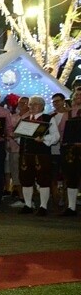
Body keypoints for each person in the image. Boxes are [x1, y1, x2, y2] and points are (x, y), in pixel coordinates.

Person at [16, 96, 60, 215]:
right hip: (26, 154)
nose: (31, 106)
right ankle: (28, 205)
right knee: (26, 179)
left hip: (42, 154)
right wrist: (18, 138)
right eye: (30, 104)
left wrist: (44, 139)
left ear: (42, 106)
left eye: (35, 104)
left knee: (44, 179)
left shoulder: (48, 118)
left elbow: (56, 136)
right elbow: (20, 138)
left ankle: (43, 206)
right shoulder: (25, 119)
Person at [59, 87, 81, 216]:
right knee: (71, 178)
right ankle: (71, 207)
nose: (78, 96)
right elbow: (61, 131)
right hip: (71, 150)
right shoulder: (68, 113)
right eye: (76, 94)